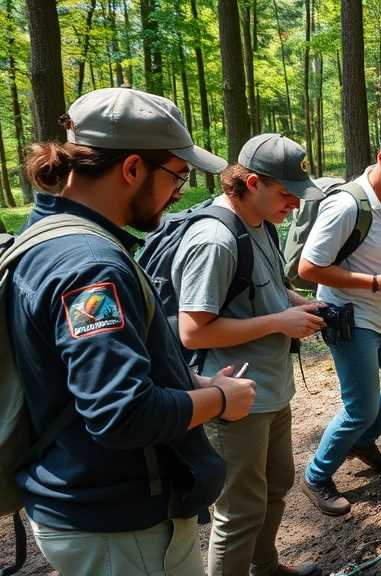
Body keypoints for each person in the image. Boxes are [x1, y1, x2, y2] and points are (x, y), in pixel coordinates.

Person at [9, 88, 257, 575]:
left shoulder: (46, 237)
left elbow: (80, 379)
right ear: (132, 169)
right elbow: (122, 415)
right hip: (121, 527)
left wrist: (190, 385)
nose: (181, 192)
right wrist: (222, 399)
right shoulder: (91, 267)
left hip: (86, 505)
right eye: (178, 175)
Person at [172, 134, 326, 576]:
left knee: (275, 488)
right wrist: (279, 323)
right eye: (286, 194)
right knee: (239, 512)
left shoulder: (263, 224)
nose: (295, 204)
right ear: (252, 182)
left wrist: (303, 306)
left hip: (271, 388)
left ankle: (266, 567)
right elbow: (191, 333)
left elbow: (272, 290)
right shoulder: (215, 240)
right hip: (232, 397)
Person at [297, 126, 381, 516]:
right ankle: (317, 477)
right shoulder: (346, 205)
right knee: (360, 406)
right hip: (349, 318)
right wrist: (377, 282)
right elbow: (310, 268)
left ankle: (363, 442)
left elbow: (377, 254)